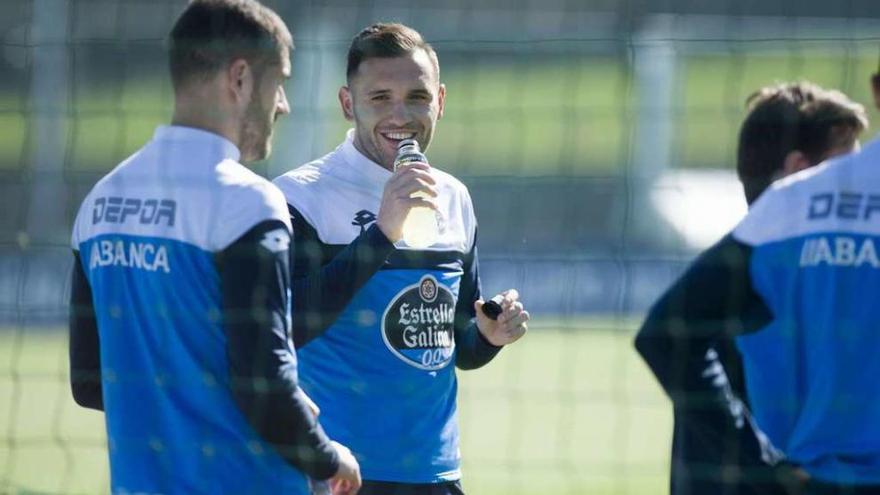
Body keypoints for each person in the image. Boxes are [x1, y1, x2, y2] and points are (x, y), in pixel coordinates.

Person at [67, 1, 360, 493]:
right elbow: (262, 385)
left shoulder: (99, 203)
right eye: (280, 80)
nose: (283, 103)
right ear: (241, 79)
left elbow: (91, 382)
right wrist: (328, 457)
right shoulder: (248, 203)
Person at [273, 23, 530, 495]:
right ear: (348, 104)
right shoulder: (298, 197)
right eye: (379, 98)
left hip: (436, 474)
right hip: (336, 473)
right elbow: (287, 325)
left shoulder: (454, 197)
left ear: (441, 101)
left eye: (417, 97)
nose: (401, 114)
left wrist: (488, 337)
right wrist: (383, 231)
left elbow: (452, 345)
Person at [636, 68, 880, 495]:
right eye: (847, 170)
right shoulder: (778, 301)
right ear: (798, 173)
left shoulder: (721, 290)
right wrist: (769, 471)